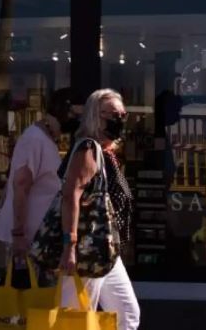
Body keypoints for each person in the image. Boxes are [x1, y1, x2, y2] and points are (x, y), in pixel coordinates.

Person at [59, 88, 140, 330]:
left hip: (105, 247)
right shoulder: (88, 149)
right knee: (77, 318)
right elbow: (70, 196)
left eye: (123, 114)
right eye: (113, 115)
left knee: (127, 314)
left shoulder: (107, 153)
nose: (120, 120)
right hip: (87, 246)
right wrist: (69, 246)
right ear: (96, 116)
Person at [0, 87, 80, 287]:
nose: (77, 121)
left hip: (38, 239)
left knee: (32, 299)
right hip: (30, 240)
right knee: (28, 299)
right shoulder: (35, 140)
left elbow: (15, 182)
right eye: (75, 114)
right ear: (63, 111)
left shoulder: (45, 139)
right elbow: (20, 185)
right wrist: (19, 235)